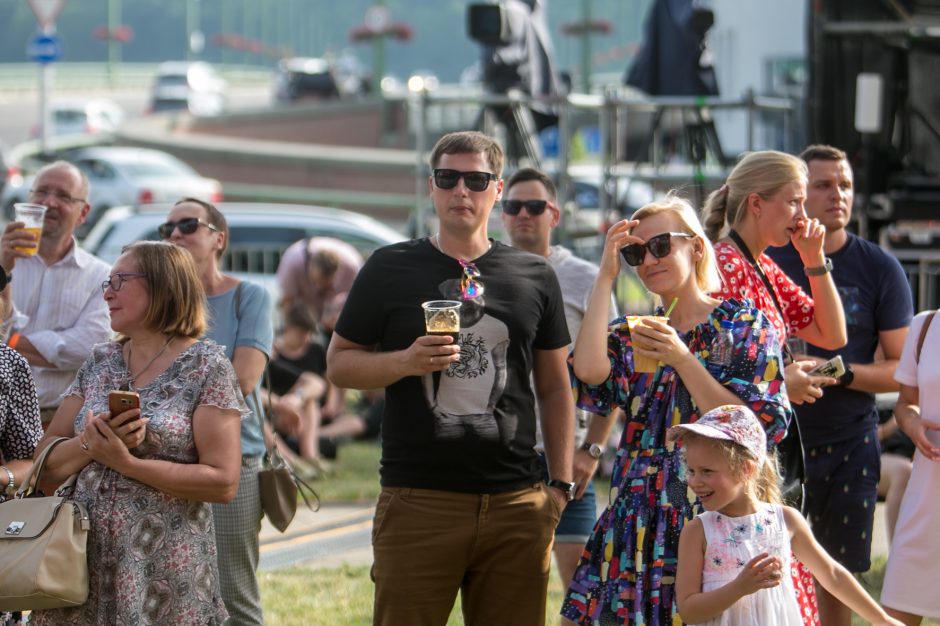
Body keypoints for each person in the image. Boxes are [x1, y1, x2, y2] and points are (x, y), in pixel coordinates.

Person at [327, 130, 574, 626]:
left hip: (516, 504)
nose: (462, 190)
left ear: (497, 190)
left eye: (477, 180)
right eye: (449, 178)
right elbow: (339, 363)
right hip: (419, 501)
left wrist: (560, 487)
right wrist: (404, 362)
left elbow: (554, 386)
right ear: (432, 186)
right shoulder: (388, 266)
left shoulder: (534, 274)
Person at [561, 194, 793, 625]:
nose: (648, 260)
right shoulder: (635, 332)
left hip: (713, 515)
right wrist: (606, 276)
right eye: (636, 252)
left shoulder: (743, 324)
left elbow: (754, 426)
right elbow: (591, 372)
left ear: (697, 247)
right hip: (639, 514)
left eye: (662, 245)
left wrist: (683, 359)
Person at [28, 241, 244, 625]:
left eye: (120, 281)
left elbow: (223, 482)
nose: (107, 292)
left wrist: (126, 463)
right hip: (78, 568)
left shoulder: (207, 366)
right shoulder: (99, 361)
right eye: (106, 282)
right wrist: (89, 445)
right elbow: (45, 465)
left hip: (163, 575)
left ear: (164, 285)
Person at [765, 144, 913, 626]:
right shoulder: (766, 259)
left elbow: (901, 368)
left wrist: (836, 372)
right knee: (771, 576)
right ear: (799, 195)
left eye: (845, 185)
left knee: (837, 579)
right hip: (776, 442)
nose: (837, 195)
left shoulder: (878, 267)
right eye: (823, 185)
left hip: (850, 442)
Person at [501, 166, 620, 623]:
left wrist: (592, 449)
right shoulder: (486, 273)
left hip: (566, 457)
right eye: (513, 207)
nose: (523, 216)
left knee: (582, 595)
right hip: (504, 455)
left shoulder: (587, 278)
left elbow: (611, 374)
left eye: (535, 207)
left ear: (555, 213)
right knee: (511, 587)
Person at [671, 404, 904, 626]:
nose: (695, 481)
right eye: (691, 470)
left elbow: (832, 575)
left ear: (746, 469)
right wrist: (739, 587)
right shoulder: (698, 531)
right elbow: (689, 609)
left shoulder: (786, 520)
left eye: (707, 471)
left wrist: (879, 618)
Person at [162, 198, 273, 626]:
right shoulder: (162, 303)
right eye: (167, 228)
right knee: (172, 590)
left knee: (232, 595)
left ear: (218, 238)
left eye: (188, 225)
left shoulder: (250, 296)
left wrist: (168, 397)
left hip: (234, 460)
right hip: (168, 462)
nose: (174, 234)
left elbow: (242, 381)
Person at [0, 160, 111, 424]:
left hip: (54, 420)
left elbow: (89, 349)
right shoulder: (2, 258)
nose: (49, 202)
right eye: (41, 192)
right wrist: (2, 270)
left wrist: (9, 342)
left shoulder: (101, 275)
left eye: (62, 195)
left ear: (83, 213)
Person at [881, 310, 940, 625]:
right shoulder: (926, 325)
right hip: (927, 496)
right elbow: (906, 402)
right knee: (895, 616)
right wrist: (913, 422)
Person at [276, 236, 362, 320]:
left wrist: (339, 320)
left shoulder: (352, 267)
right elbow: (288, 301)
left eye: (327, 285)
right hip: (306, 311)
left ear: (336, 274)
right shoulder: (292, 264)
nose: (318, 287)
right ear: (310, 267)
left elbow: (359, 301)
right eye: (315, 282)